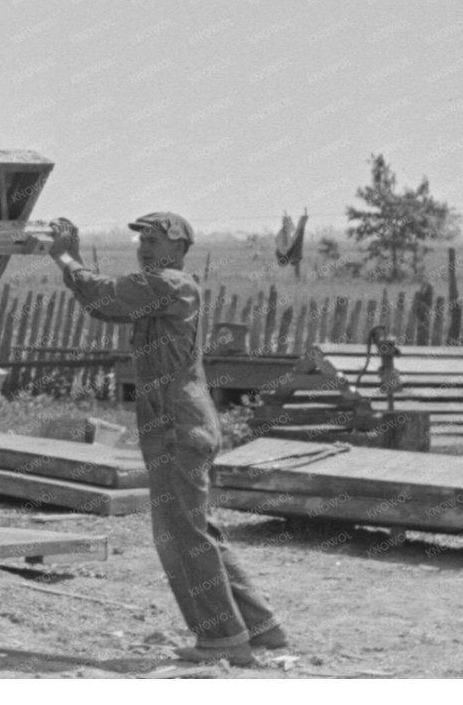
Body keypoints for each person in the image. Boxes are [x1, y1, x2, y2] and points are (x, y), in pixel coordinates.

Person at [41, 212, 288, 666]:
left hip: (177, 426)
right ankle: (260, 628)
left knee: (179, 536)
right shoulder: (163, 289)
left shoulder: (169, 284)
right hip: (180, 423)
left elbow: (106, 295)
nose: (144, 247)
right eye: (142, 241)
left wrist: (65, 257)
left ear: (178, 248)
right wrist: (72, 265)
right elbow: (101, 305)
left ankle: (222, 638)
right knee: (197, 528)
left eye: (154, 240)